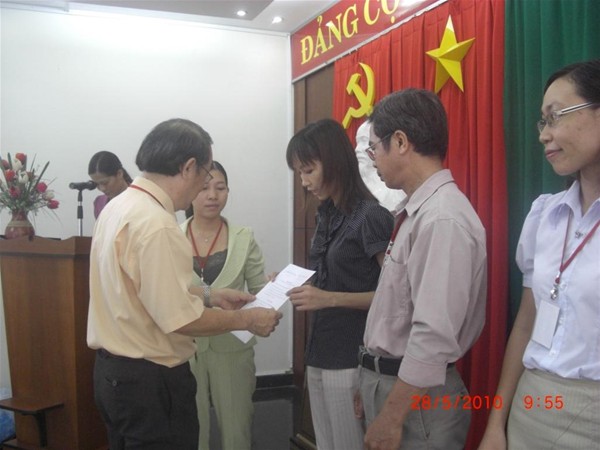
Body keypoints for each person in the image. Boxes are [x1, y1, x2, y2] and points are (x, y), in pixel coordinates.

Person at [86, 118, 282, 450]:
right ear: (189, 167)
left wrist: (209, 294)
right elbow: (180, 319)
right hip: (150, 381)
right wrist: (247, 319)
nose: (207, 189)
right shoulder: (158, 224)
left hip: (113, 375)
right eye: (205, 176)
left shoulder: (117, 208)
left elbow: (141, 291)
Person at [479, 60, 600, 449]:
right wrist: (496, 423)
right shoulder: (545, 215)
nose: (544, 135)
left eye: (555, 117)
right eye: (542, 122)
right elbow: (526, 324)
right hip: (530, 407)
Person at [357, 88, 487, 450]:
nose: (373, 160)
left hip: (417, 402)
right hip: (394, 386)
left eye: (374, 148)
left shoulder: (442, 219)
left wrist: (391, 416)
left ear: (400, 142)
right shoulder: (419, 212)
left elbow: (432, 334)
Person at [286, 118, 394, 450]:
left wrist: (328, 298)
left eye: (308, 171)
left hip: (352, 357)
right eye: (299, 173)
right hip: (319, 351)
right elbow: (329, 275)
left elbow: (393, 297)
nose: (304, 182)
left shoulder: (371, 216)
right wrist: (288, 282)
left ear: (332, 161)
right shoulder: (326, 214)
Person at [182, 161, 266, 450]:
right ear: (191, 191)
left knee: (236, 430)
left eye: (220, 188)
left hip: (232, 346)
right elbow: (167, 292)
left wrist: (275, 286)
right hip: (185, 346)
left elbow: (259, 291)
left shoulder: (244, 237)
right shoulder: (171, 236)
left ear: (228, 192)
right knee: (191, 430)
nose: (212, 195)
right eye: (204, 188)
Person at [88, 150, 133, 218]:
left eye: (105, 183)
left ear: (119, 174)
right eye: (96, 184)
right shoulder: (99, 203)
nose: (102, 189)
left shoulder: (139, 198)